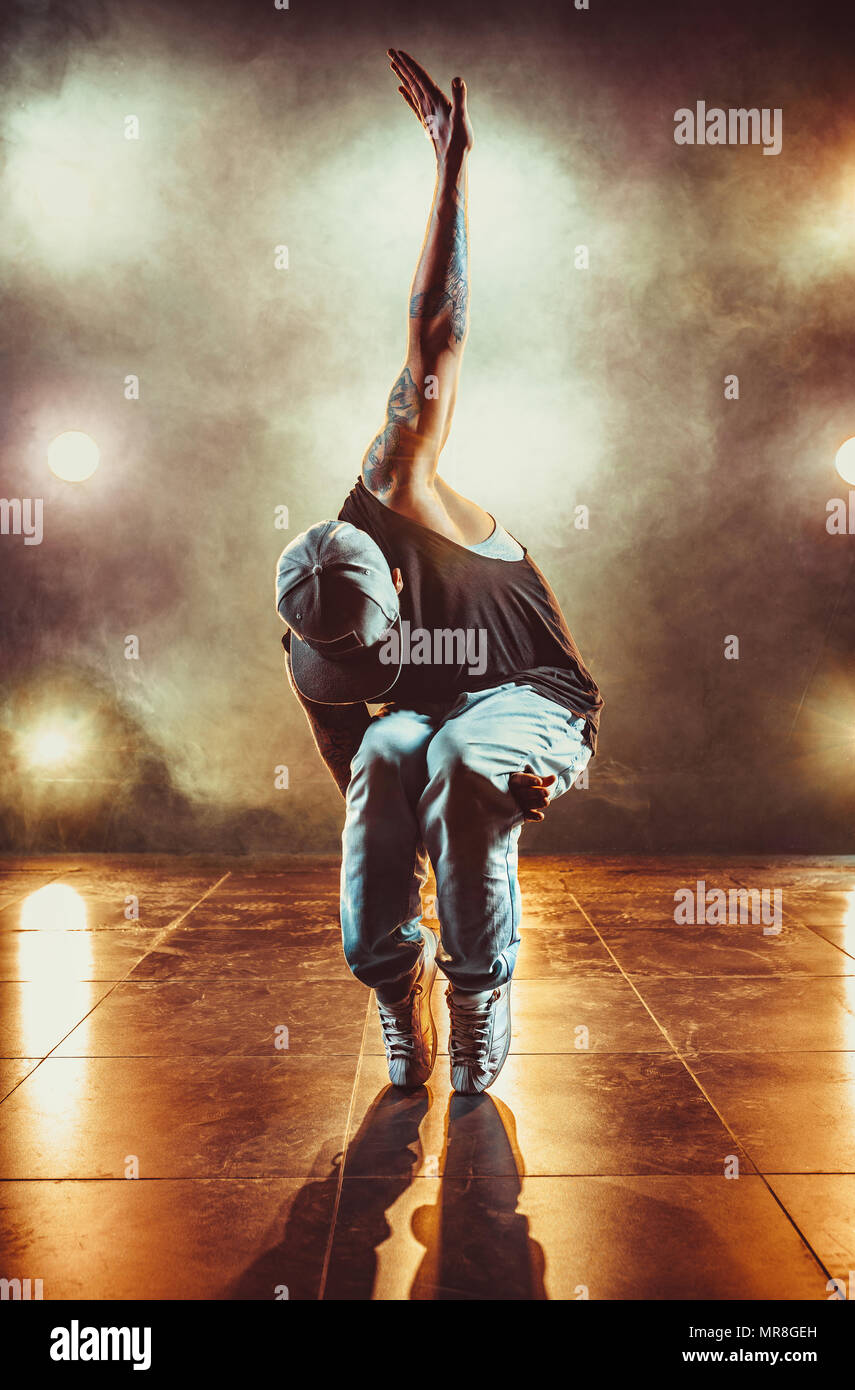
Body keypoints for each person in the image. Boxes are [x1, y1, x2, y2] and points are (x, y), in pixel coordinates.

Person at [276, 49, 603, 1095]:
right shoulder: (314, 638)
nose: (356, 664)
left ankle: (477, 988)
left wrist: (449, 170)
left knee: (462, 759)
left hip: (530, 699)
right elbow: (350, 763)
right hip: (442, 716)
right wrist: (403, 861)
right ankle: (392, 983)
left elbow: (437, 328)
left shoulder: (398, 481)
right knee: (385, 771)